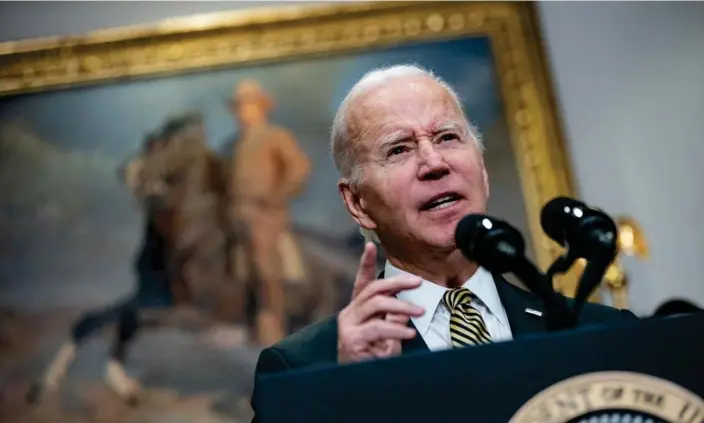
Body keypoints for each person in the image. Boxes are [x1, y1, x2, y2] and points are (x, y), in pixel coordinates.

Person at [249, 64, 638, 418]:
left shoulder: (604, 335)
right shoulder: (301, 372)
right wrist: (351, 394)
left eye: (448, 137)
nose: (434, 163)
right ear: (357, 202)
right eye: (399, 148)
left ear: (481, 170)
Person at [227, 79, 311, 347]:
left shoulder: (275, 136)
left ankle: (272, 321)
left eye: (248, 106)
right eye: (240, 107)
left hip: (265, 215)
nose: (243, 111)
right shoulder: (236, 144)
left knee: (264, 265)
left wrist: (276, 197)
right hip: (236, 213)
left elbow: (298, 168)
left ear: (261, 108)